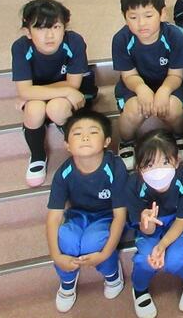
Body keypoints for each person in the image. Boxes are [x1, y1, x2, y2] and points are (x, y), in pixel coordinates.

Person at [46, 110, 127, 313]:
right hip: (78, 215)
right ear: (67, 145)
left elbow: (120, 215)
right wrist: (56, 255)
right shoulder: (64, 172)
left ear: (107, 141)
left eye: (93, 132)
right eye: (77, 133)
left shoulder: (115, 167)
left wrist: (105, 253)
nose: (84, 137)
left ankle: (112, 275)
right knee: (66, 237)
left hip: (107, 216)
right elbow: (54, 217)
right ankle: (67, 281)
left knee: (93, 242)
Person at [12, 0, 96, 186]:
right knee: (34, 109)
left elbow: (74, 85)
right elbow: (25, 90)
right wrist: (63, 90)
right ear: (28, 32)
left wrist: (31, 92)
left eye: (56, 27)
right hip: (53, 94)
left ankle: (77, 147)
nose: (49, 35)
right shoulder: (20, 47)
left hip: (66, 96)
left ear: (64, 27)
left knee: (56, 107)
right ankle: (37, 155)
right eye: (41, 28)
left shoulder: (74, 41)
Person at [112, 0, 183, 170]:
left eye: (148, 15)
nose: (141, 23)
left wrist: (164, 90)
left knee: (173, 108)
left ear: (162, 14)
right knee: (133, 109)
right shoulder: (121, 39)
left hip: (170, 83)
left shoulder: (174, 36)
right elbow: (128, 75)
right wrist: (141, 89)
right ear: (125, 17)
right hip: (134, 86)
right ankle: (127, 142)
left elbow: (176, 74)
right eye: (133, 17)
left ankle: (180, 137)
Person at [126, 130, 183, 317]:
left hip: (177, 223)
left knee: (176, 259)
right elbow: (145, 229)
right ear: (139, 168)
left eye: (165, 162)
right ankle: (140, 289)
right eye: (149, 164)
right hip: (150, 229)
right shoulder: (133, 184)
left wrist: (162, 246)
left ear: (176, 161)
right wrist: (147, 222)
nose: (158, 170)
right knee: (145, 259)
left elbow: (182, 220)